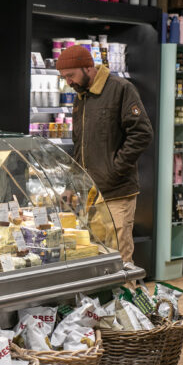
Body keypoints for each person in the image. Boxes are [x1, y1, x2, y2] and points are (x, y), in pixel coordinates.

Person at [56, 44, 153, 264]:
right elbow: (79, 145)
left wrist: (114, 170)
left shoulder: (121, 89)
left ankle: (125, 298)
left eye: (71, 75)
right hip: (90, 196)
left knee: (119, 260)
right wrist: (72, 184)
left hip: (117, 193)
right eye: (64, 78)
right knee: (98, 260)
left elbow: (142, 133)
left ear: (88, 67)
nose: (68, 82)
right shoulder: (81, 97)